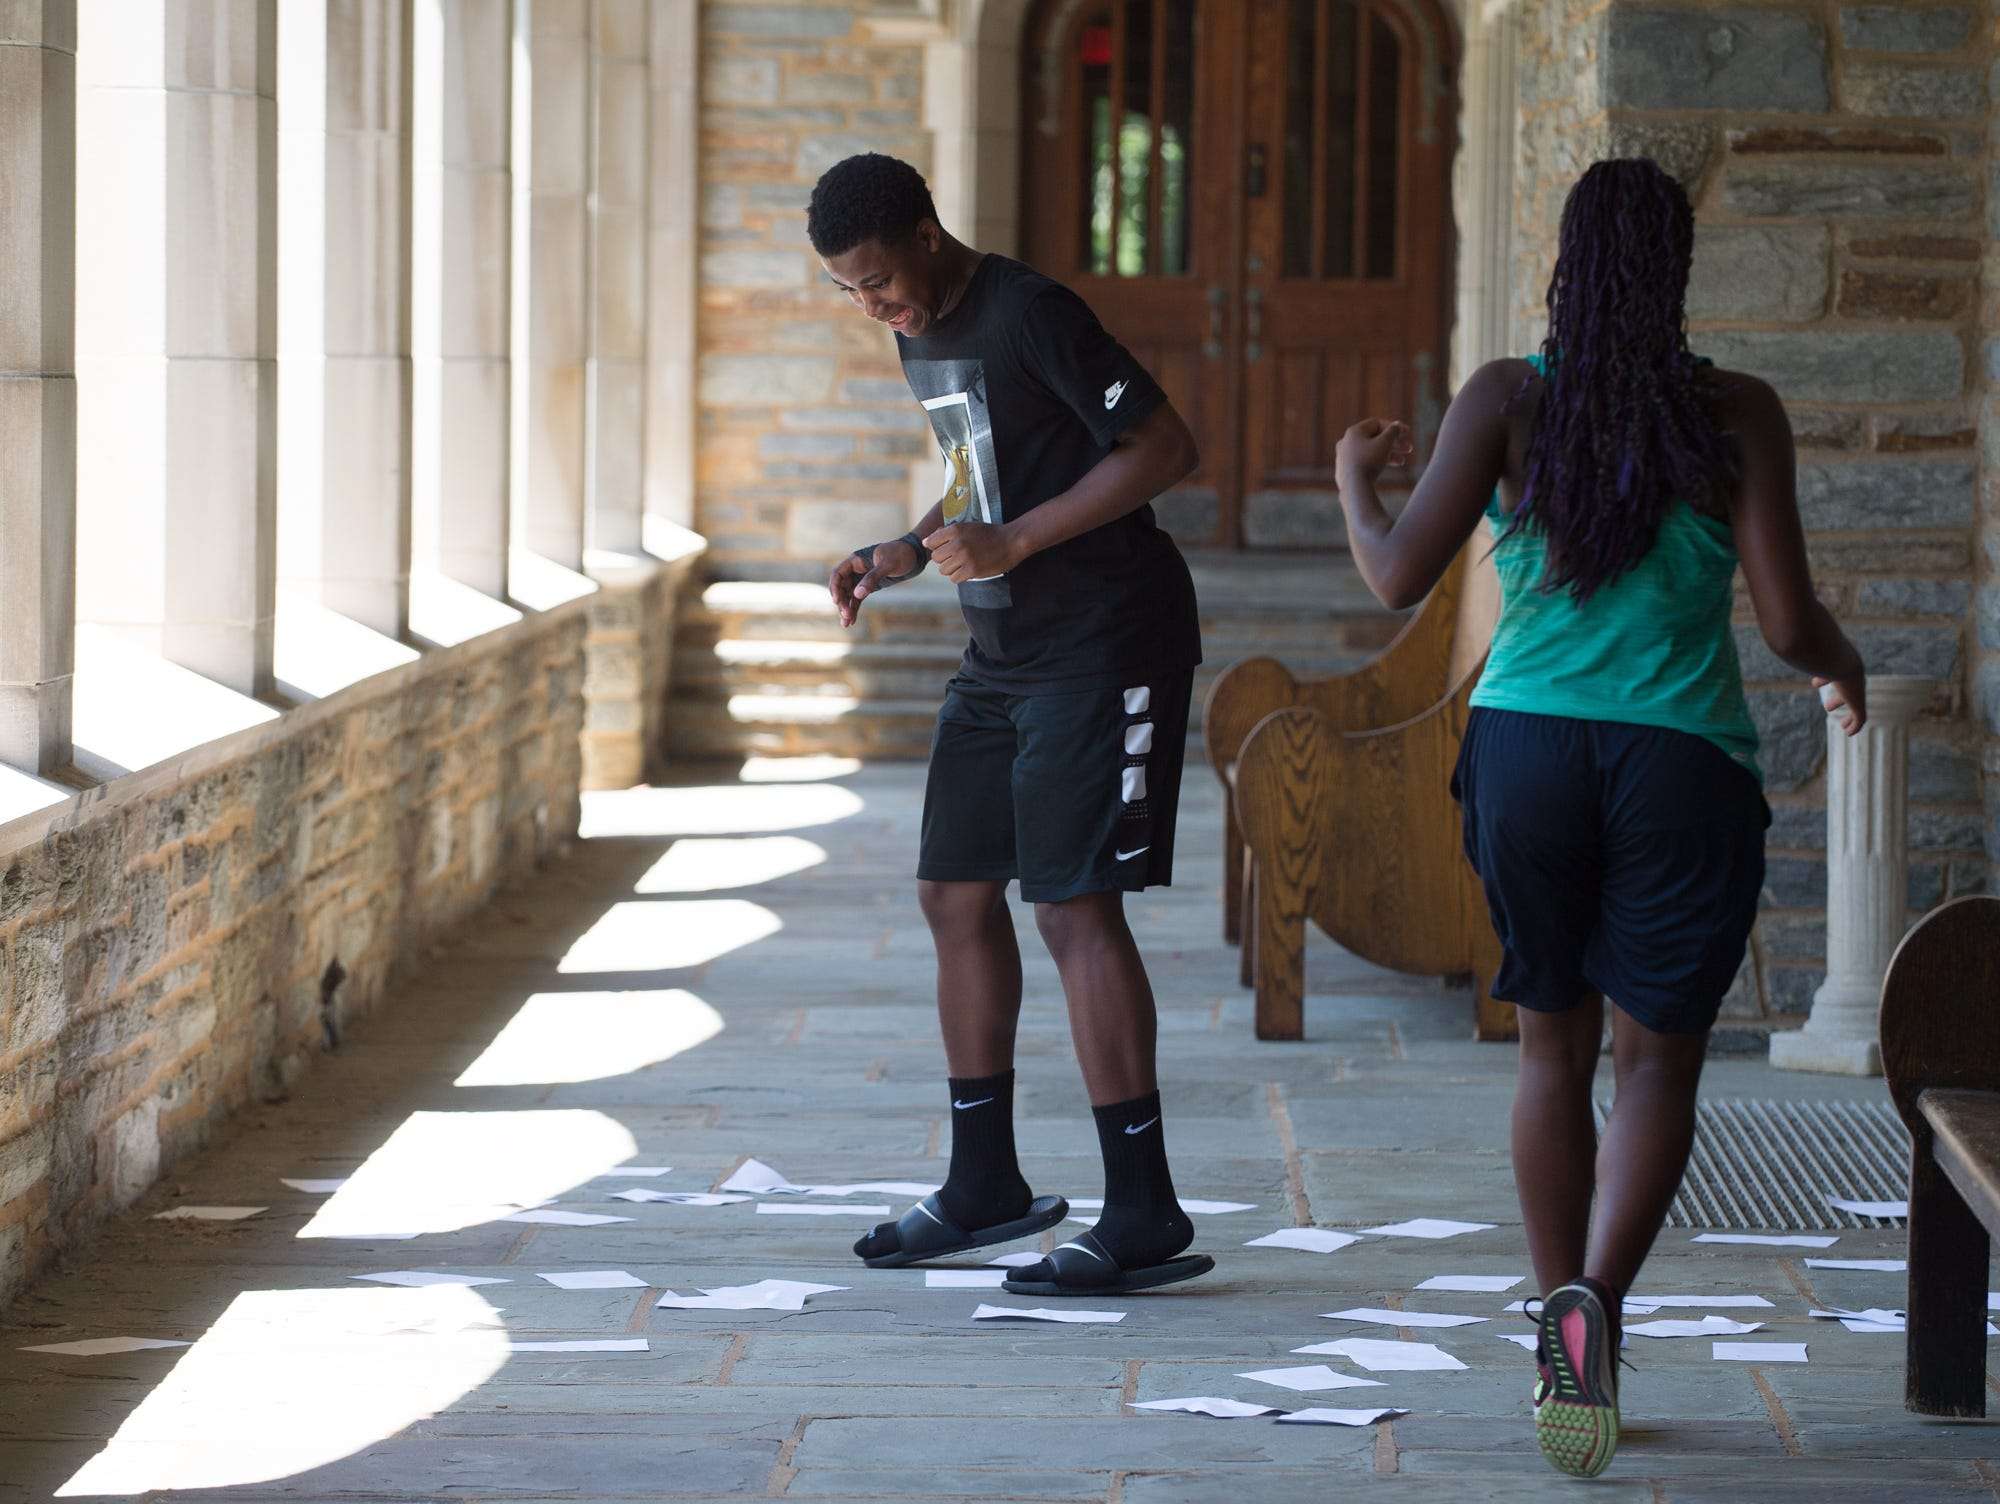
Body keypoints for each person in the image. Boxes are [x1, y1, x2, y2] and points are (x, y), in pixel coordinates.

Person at [1328, 158, 1866, 1478]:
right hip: (1681, 762)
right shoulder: (1737, 411)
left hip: (1527, 754)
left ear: (1569, 262)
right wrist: (1841, 665)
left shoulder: (1512, 399)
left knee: (1546, 1052)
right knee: (1657, 1064)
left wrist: (1354, 477)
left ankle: (1553, 1297)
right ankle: (1597, 1316)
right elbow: (1789, 621)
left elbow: (1398, 573)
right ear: (1674, 268)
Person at [806, 153, 1213, 1295]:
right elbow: (978, 466)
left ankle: (1143, 1210)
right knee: (951, 891)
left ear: (926, 235)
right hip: (1000, 651)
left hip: (1103, 639)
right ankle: (983, 1182)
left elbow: (1167, 449)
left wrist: (1017, 543)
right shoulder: (916, 328)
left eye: (877, 279)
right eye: (848, 290)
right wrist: (903, 549)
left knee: (1072, 905)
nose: (870, 305)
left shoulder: (1031, 312)